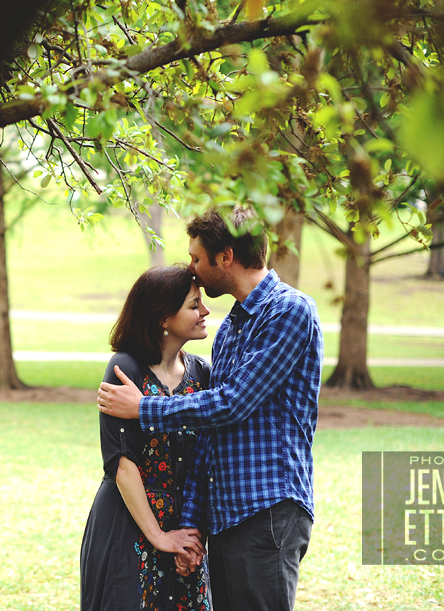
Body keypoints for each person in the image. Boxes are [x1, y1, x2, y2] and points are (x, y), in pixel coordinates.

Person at [96, 208, 324, 611]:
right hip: (226, 516)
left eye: (197, 259)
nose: (193, 270)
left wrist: (145, 408)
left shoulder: (289, 311)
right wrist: (189, 523)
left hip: (266, 508)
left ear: (226, 257)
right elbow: (209, 438)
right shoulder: (231, 330)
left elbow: (234, 402)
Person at [81, 265, 213, 611]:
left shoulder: (203, 374)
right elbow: (123, 465)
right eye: (193, 305)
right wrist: (159, 538)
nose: (205, 311)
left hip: (183, 530)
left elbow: (203, 463)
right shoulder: (126, 368)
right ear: (163, 318)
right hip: (127, 526)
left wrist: (188, 538)